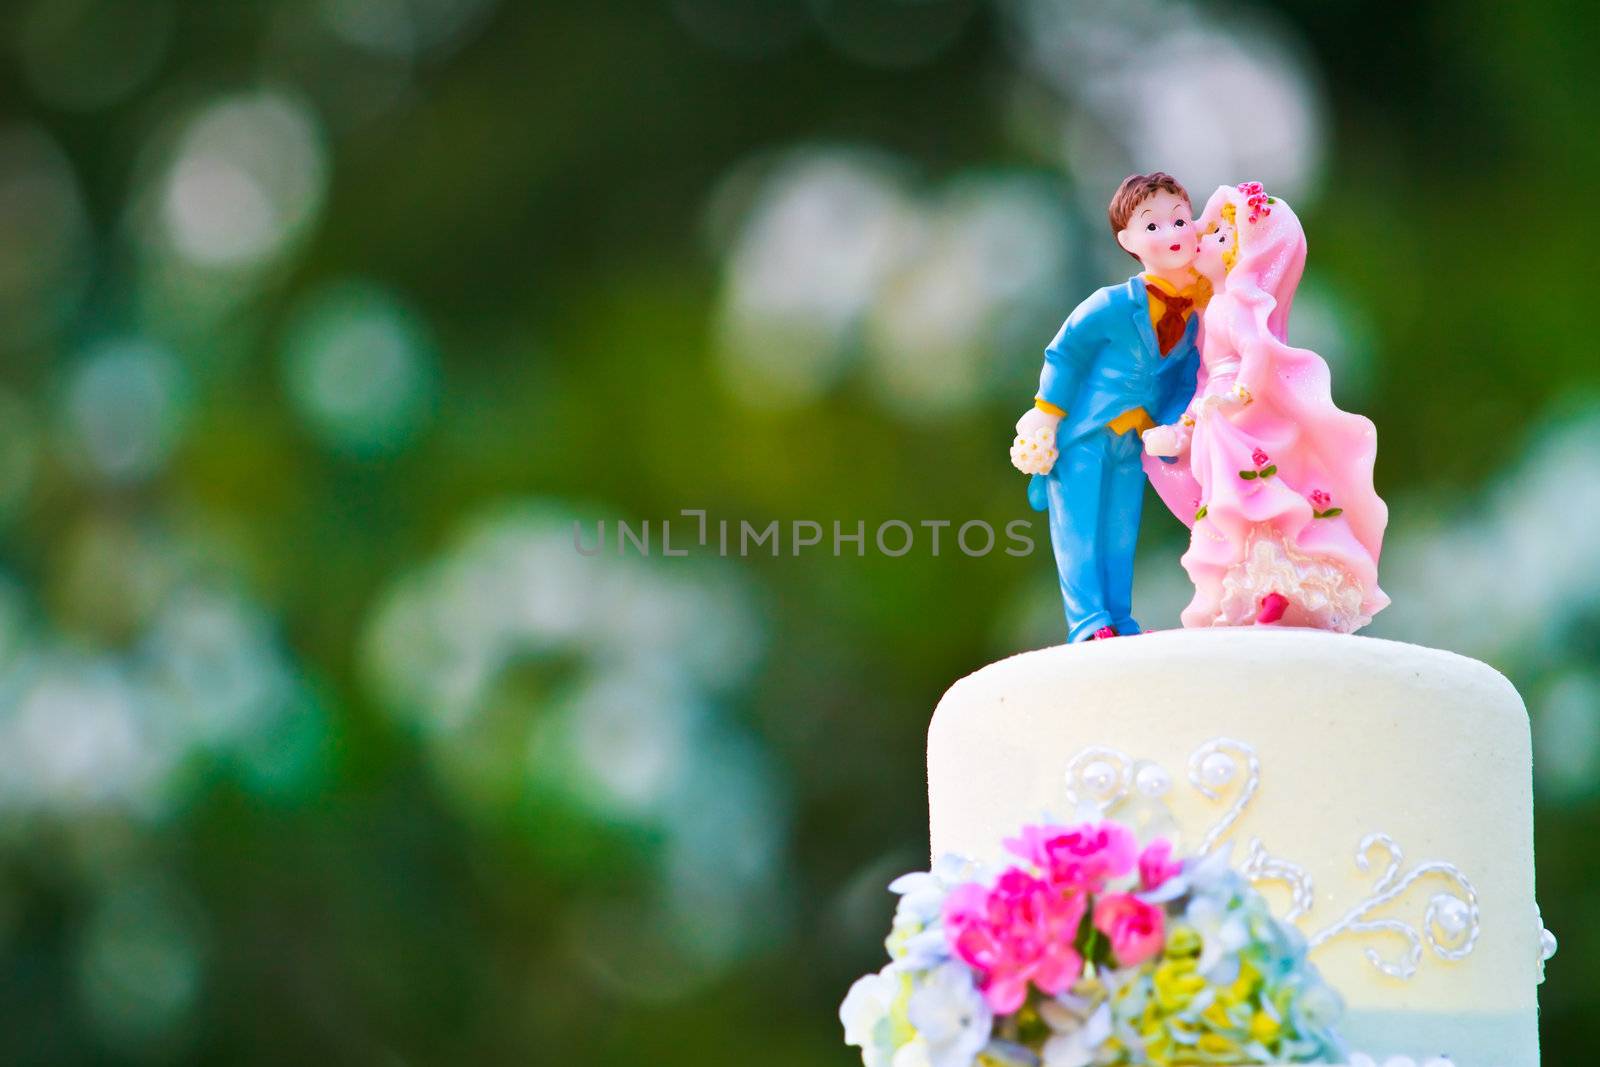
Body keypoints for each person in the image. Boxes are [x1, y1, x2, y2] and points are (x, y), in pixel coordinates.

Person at [1142, 183, 1388, 632]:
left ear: (1240, 257)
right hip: (1222, 412)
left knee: (1251, 502)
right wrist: (1183, 430)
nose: (1203, 239)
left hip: (1239, 416)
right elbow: (1206, 386)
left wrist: (1238, 395)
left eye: (1220, 236)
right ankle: (1258, 591)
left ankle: (1273, 590)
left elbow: (1255, 353)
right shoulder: (1214, 307)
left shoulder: (1232, 305)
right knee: (1237, 506)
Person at [1010, 173, 1202, 642]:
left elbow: (1183, 380)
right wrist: (1047, 416)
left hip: (1134, 443)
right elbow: (1065, 353)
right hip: (1085, 436)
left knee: (1119, 533)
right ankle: (1088, 622)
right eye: (1152, 226)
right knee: (1080, 534)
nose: (1171, 234)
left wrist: (1175, 428)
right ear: (1127, 240)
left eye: (1179, 220)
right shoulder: (1112, 304)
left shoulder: (1196, 315)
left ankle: (1119, 617)